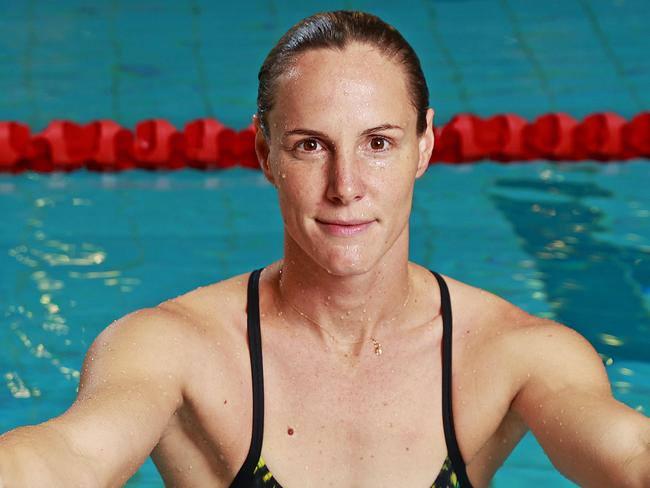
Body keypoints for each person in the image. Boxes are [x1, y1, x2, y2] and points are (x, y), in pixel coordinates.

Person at [1, 10, 648, 488]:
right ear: (264, 152)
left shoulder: (514, 355)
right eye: (311, 145)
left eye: (379, 143)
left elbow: (628, 453)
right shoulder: (174, 350)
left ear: (425, 144)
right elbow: (65, 460)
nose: (346, 188)